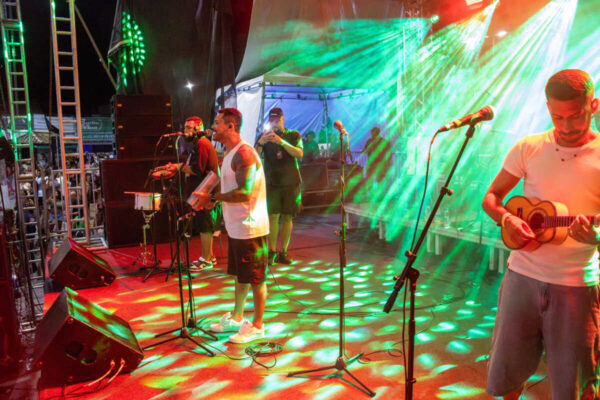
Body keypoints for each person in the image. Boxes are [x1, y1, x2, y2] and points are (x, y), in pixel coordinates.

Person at [482, 69, 600, 399]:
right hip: (520, 276)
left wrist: (597, 238)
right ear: (548, 108)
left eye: (575, 116)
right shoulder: (528, 147)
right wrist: (506, 219)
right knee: (508, 373)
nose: (566, 126)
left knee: (575, 385)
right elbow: (491, 198)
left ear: (593, 105)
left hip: (576, 284)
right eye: (557, 117)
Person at [194, 108, 269, 344]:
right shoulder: (228, 153)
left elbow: (245, 192)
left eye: (217, 123)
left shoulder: (244, 153)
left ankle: (257, 326)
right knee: (240, 275)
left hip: (250, 227)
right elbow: (228, 188)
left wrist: (213, 198)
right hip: (237, 227)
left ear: (230, 126)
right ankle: (237, 317)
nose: (212, 127)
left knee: (256, 278)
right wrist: (212, 199)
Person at [255, 107, 303, 265]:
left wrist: (281, 141)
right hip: (272, 182)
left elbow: (299, 153)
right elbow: (254, 156)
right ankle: (272, 251)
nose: (274, 123)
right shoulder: (265, 136)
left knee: (287, 216)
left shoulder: (294, 134)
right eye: (271, 120)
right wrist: (261, 142)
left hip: (291, 182)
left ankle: (284, 251)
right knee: (273, 216)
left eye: (276, 120)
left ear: (283, 119)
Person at [180, 116, 220, 270]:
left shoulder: (202, 144)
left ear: (198, 128)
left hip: (206, 191)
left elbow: (197, 169)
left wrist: (179, 168)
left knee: (205, 226)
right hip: (203, 191)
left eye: (188, 128)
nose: (185, 131)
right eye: (185, 127)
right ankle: (210, 256)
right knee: (204, 225)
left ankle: (206, 259)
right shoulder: (199, 143)